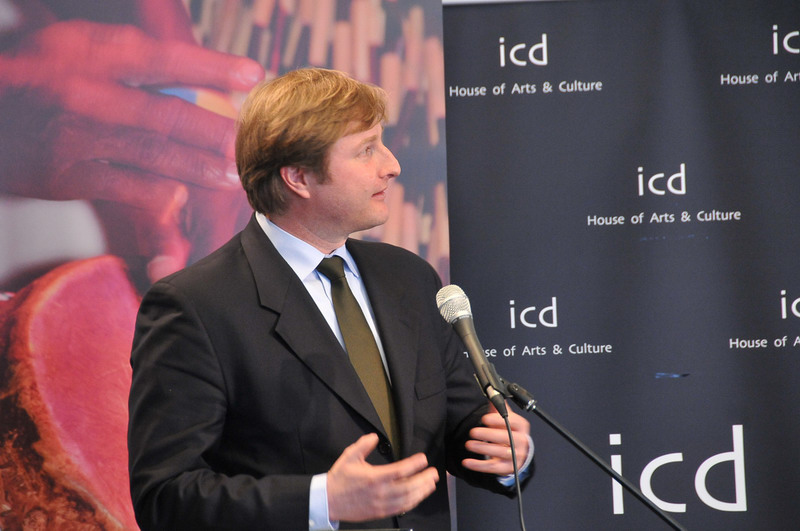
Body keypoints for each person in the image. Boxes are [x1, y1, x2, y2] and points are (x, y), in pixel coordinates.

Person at [127, 67, 532, 531]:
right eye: (366, 149)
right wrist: (322, 502)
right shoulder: (195, 306)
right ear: (298, 177)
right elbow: (164, 498)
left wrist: (507, 454)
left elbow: (461, 427)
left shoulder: (408, 278)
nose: (392, 165)